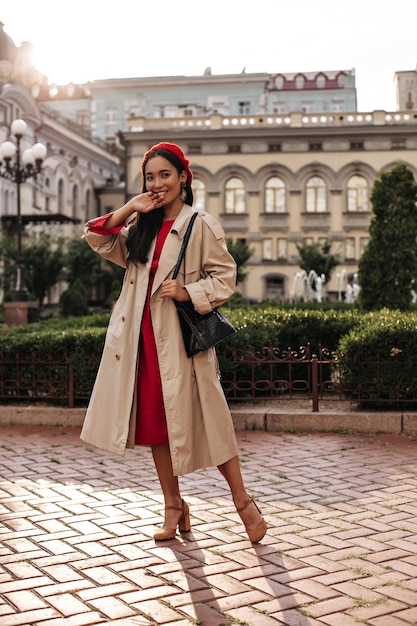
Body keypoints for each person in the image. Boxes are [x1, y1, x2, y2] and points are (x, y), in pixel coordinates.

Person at [80, 142, 267, 543]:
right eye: (150, 177)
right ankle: (173, 505)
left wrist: (187, 292)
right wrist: (132, 207)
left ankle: (243, 502)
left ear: (184, 177)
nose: (157, 183)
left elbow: (225, 278)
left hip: (182, 343)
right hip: (141, 342)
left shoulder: (200, 223)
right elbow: (97, 236)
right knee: (155, 427)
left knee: (213, 424)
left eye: (165, 175)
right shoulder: (141, 229)